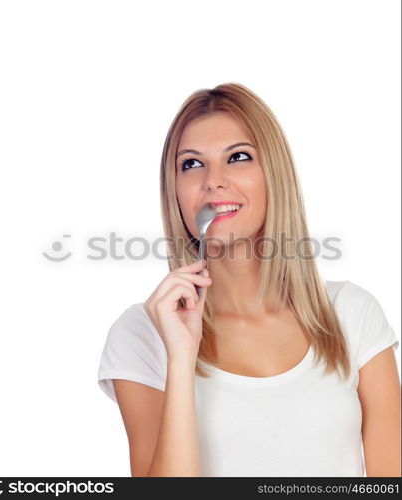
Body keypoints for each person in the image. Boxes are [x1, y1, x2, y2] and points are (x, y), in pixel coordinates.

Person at [97, 82, 401, 477]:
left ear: (273, 174)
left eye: (238, 157)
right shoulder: (141, 334)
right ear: (174, 190)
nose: (213, 180)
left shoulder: (351, 315)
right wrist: (182, 354)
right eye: (191, 163)